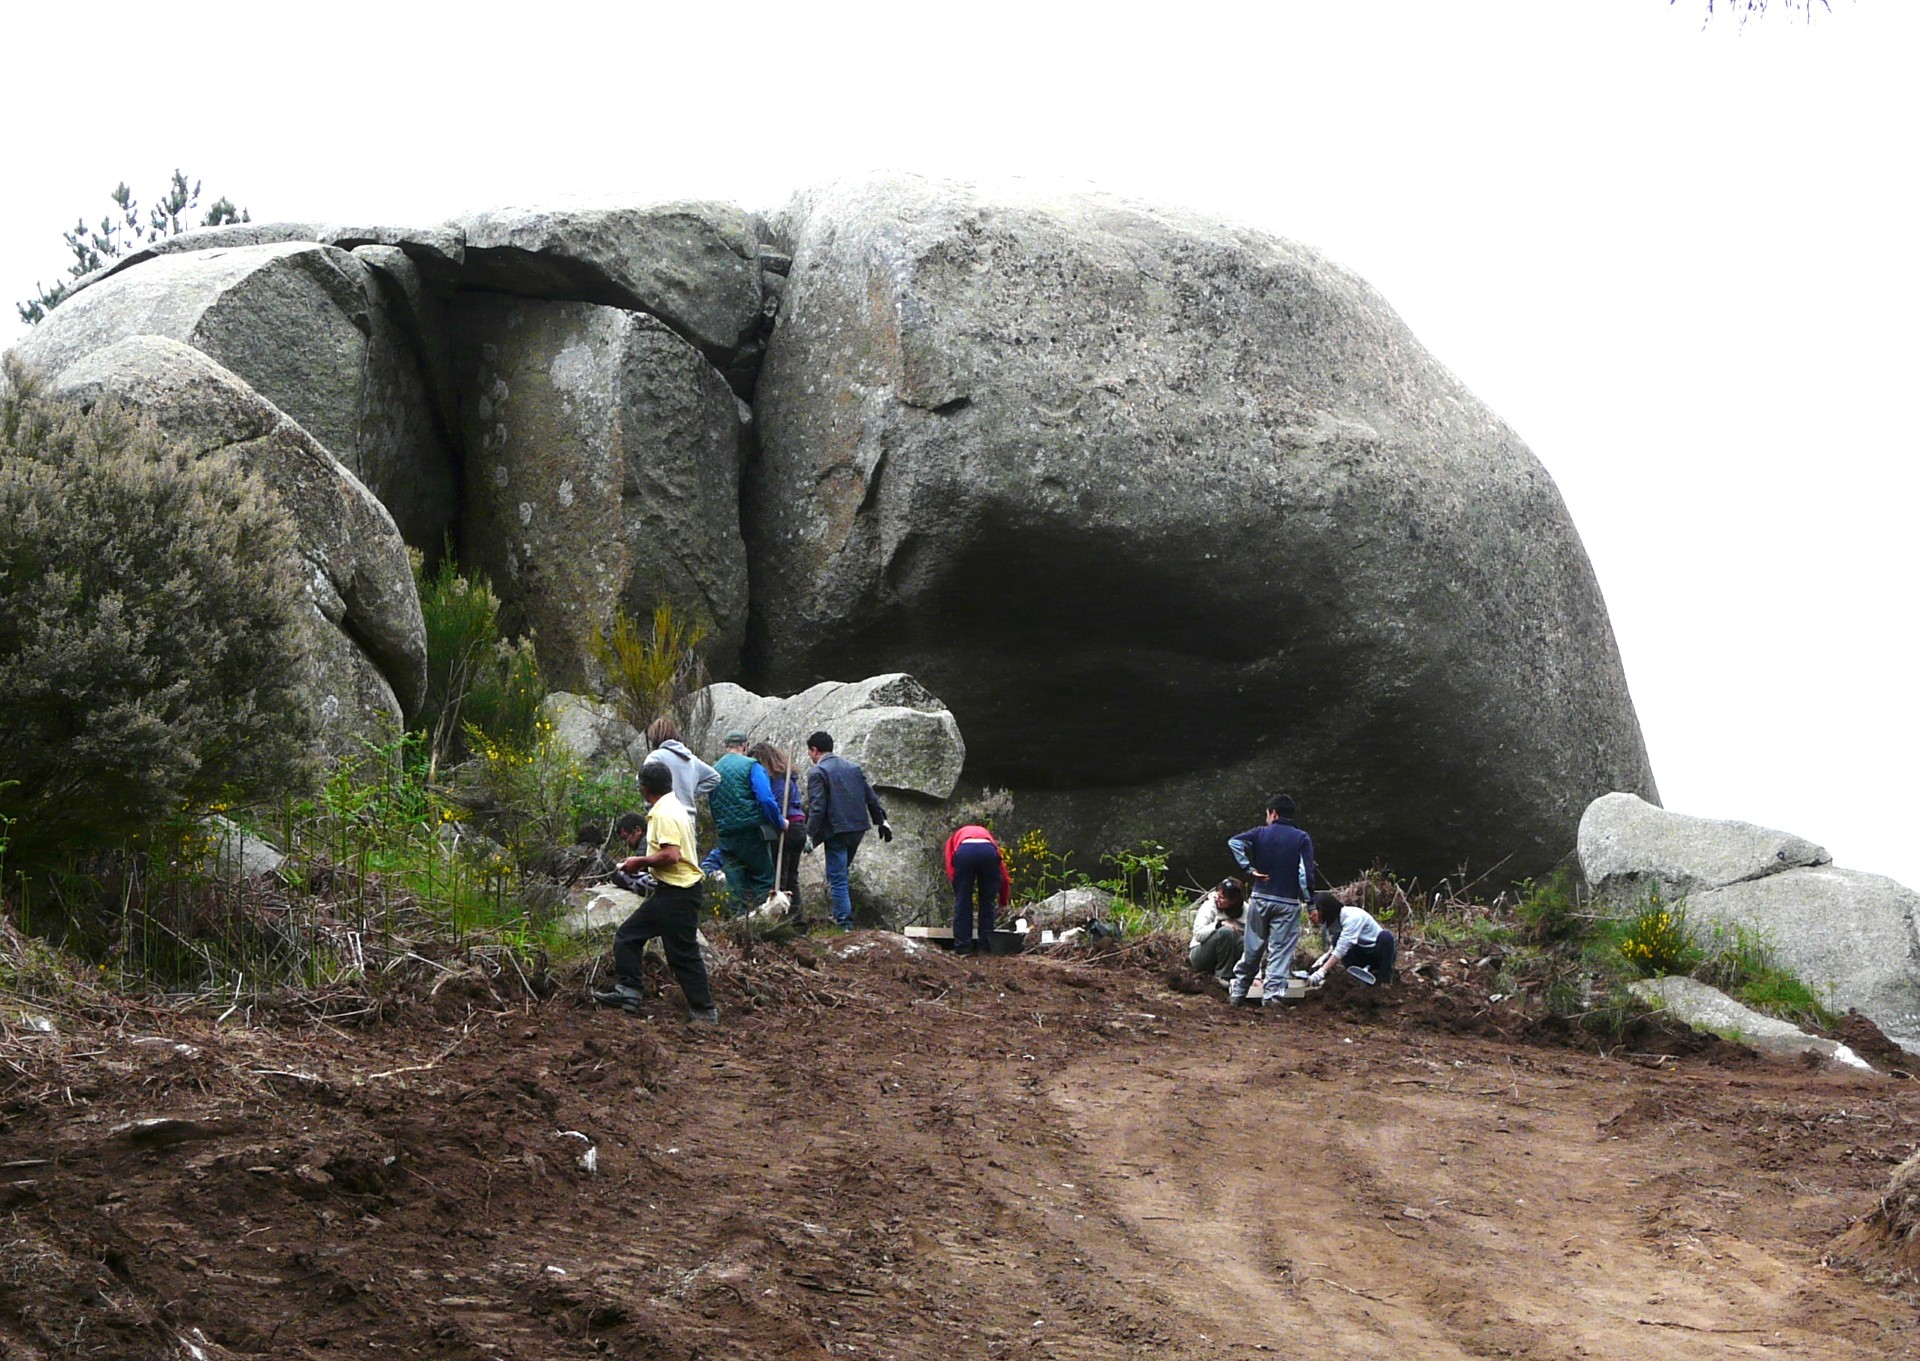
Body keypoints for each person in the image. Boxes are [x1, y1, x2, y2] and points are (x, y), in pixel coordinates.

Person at [592, 761, 720, 1026]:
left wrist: (639, 862)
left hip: (678, 893)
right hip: (671, 892)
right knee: (629, 936)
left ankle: (705, 1012)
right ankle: (628, 992)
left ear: (644, 787)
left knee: (682, 953)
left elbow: (672, 855)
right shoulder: (674, 805)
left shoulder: (663, 814)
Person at [1226, 794, 1316, 1009]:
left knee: (1253, 947)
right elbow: (1304, 874)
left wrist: (1249, 869)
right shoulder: (1301, 838)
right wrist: (1310, 902)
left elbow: (1234, 842)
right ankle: (1272, 997)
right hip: (1287, 901)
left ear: (1273, 813)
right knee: (1280, 949)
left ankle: (1239, 992)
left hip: (1260, 897)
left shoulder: (1259, 833)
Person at [804, 730, 891, 930]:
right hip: (857, 828)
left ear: (814, 750)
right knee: (839, 873)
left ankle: (844, 923)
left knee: (838, 878)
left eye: (810, 753)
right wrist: (882, 821)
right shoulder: (853, 768)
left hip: (836, 831)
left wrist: (809, 834)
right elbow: (870, 797)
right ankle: (840, 915)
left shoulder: (818, 772)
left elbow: (818, 806)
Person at [710, 730, 783, 915]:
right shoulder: (752, 765)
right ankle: (765, 926)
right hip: (752, 833)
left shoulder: (713, 769)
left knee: (735, 885)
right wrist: (779, 822)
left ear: (725, 747)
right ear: (745, 746)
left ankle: (739, 927)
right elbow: (766, 799)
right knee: (763, 879)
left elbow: (712, 803)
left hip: (727, 836)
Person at [750, 740, 808, 918]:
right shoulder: (789, 777)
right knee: (791, 878)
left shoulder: (777, 780)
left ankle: (783, 921)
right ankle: (797, 921)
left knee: (780, 878)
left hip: (787, 827)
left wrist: (776, 821)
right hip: (799, 826)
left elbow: (775, 803)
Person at [943, 824, 1011, 956]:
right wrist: (1003, 900)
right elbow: (1003, 875)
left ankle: (963, 947)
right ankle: (985, 947)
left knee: (963, 902)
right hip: (988, 853)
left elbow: (950, 864)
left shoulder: (952, 840)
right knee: (987, 902)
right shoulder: (989, 840)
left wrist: (958, 889)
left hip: (965, 853)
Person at [1306, 891, 1397, 986]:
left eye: (1317, 910)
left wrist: (1322, 971)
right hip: (1362, 953)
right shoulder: (1336, 922)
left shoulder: (1352, 917)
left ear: (1326, 909)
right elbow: (1336, 946)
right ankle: (1355, 977)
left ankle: (1384, 981)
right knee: (1337, 938)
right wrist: (1320, 962)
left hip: (1377, 952)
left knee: (1386, 937)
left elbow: (1342, 948)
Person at [640, 717, 721, 812]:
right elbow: (715, 777)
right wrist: (690, 792)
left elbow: (642, 780)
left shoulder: (656, 757)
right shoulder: (691, 759)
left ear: (654, 737)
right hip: (688, 817)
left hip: (664, 814)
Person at [1187, 878, 1248, 983]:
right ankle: (1222, 976)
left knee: (1246, 941)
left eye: (1222, 898)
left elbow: (1254, 943)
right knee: (1226, 932)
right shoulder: (1209, 906)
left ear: (1233, 901)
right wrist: (1219, 925)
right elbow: (1198, 935)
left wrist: (1257, 975)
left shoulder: (1247, 911)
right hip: (1201, 953)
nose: (1217, 899)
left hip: (1229, 954)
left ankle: (1246, 976)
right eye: (1217, 895)